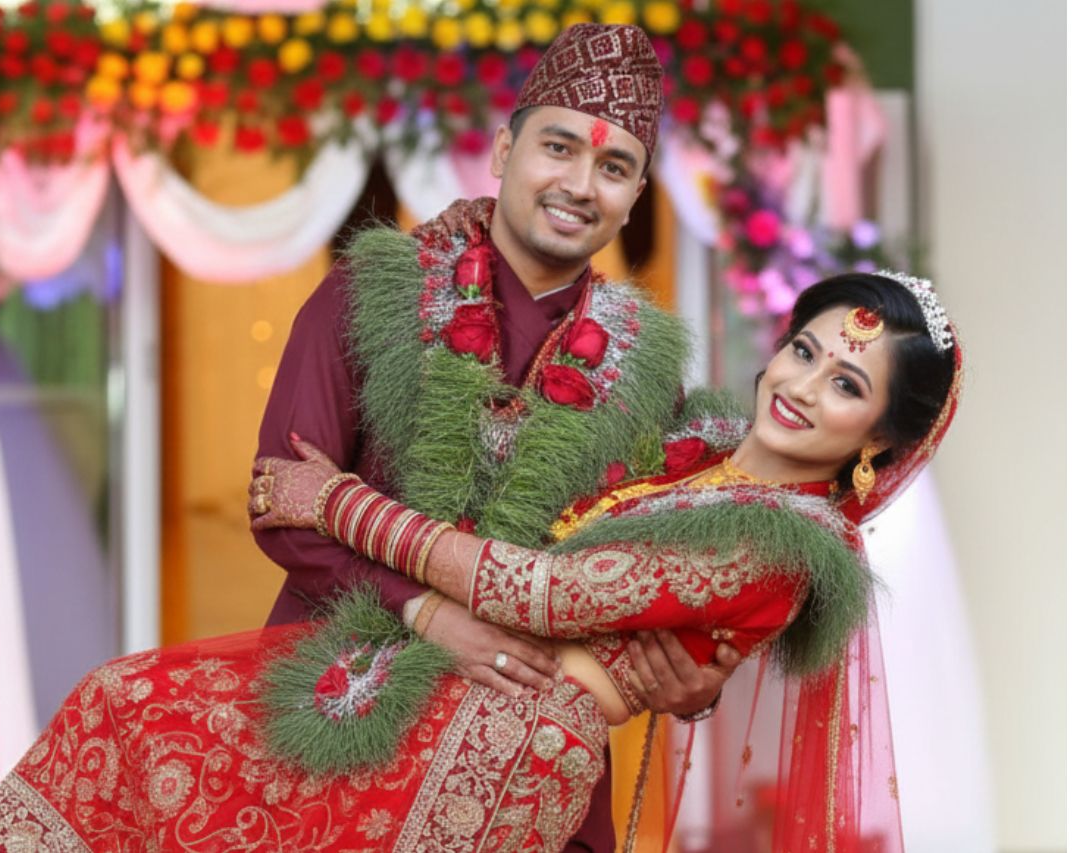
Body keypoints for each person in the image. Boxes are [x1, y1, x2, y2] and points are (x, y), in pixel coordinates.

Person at [0, 271, 962, 852]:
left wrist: (336, 501)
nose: (803, 385)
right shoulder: (696, 453)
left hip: (506, 750)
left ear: (877, 439)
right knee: (123, 706)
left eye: (846, 384)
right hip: (439, 689)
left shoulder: (782, 536)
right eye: (805, 350)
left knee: (135, 715)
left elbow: (545, 591)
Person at [248, 23, 738, 850]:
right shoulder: (372, 290)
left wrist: (693, 680)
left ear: (634, 196)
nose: (580, 184)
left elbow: (659, 573)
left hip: (533, 762)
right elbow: (283, 499)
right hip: (344, 718)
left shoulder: (647, 370)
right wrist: (429, 613)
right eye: (559, 148)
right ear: (505, 151)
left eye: (614, 167)